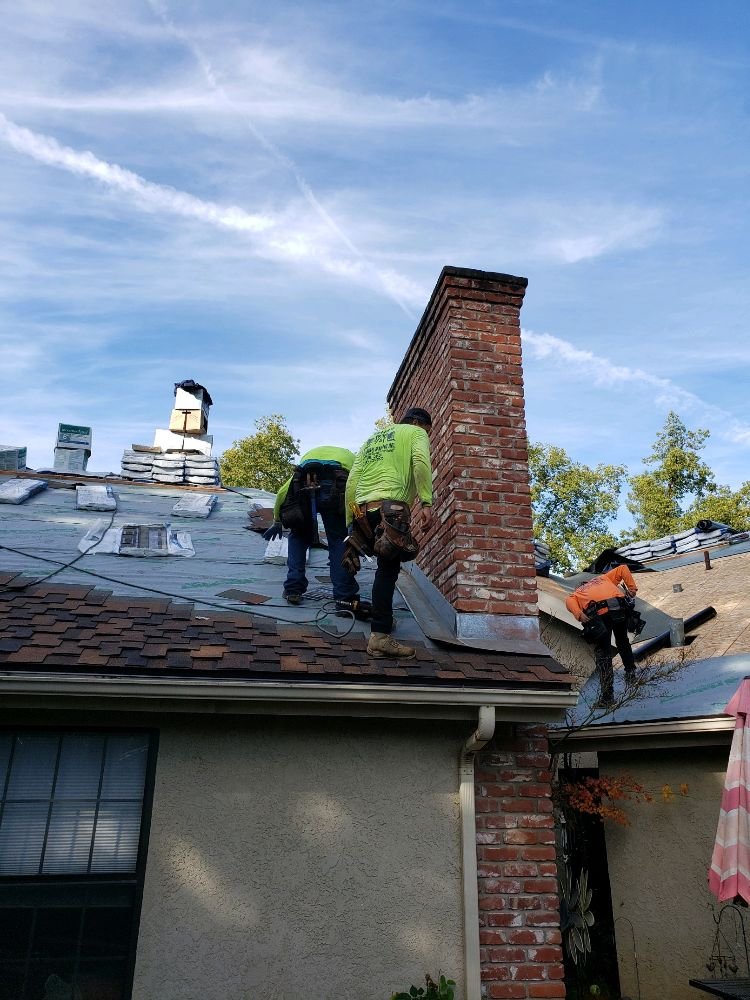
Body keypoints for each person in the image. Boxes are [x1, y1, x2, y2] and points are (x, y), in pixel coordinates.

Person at [344, 407, 434, 659]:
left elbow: (352, 480)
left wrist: (350, 522)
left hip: (362, 511)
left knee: (384, 570)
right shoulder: (416, 433)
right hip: (391, 509)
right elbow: (420, 462)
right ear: (418, 423)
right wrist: (426, 502)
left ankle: (382, 625)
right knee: (387, 571)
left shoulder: (373, 438)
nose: (426, 435)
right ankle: (380, 636)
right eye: (428, 431)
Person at [264, 446, 363, 614]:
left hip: (304, 484)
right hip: (338, 484)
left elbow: (282, 492)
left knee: (298, 536)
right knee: (339, 541)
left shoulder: (307, 462)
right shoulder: (353, 460)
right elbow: (355, 489)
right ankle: (344, 598)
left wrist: (277, 521)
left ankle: (293, 589)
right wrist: (355, 518)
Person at [565, 565, 639, 707]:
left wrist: (579, 614)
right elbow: (623, 568)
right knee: (622, 640)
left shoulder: (576, 594)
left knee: (603, 653)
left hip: (600, 614)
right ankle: (631, 673)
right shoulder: (603, 578)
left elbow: (569, 601)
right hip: (618, 608)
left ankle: (607, 697)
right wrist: (632, 589)